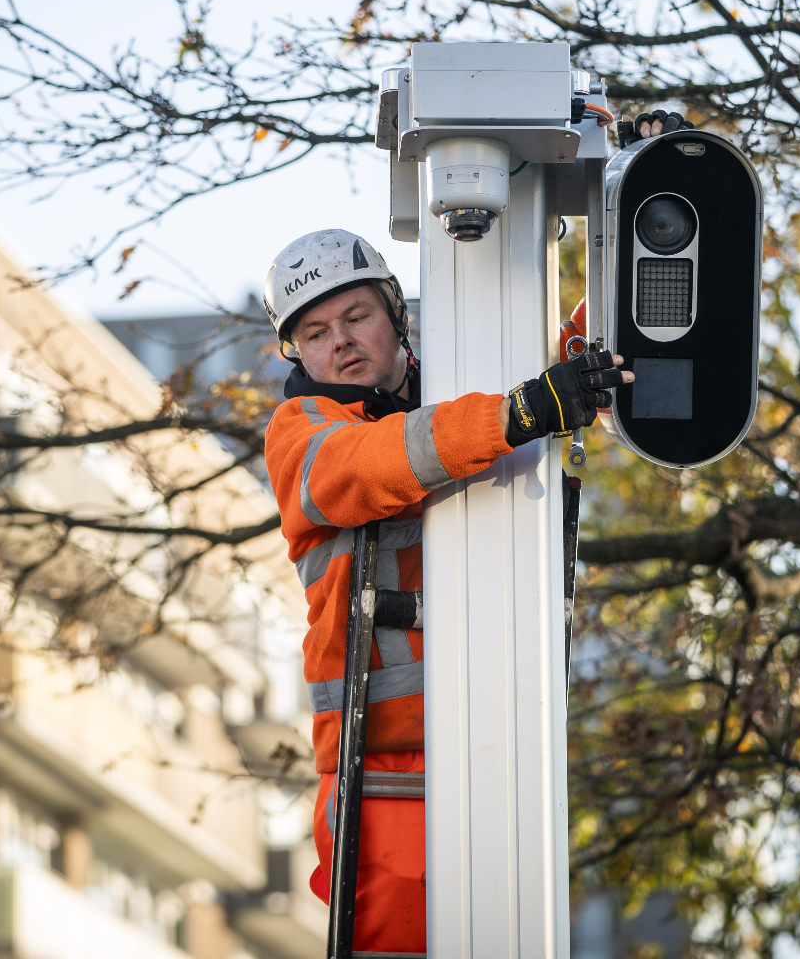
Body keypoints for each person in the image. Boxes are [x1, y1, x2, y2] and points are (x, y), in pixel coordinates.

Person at [261, 228, 627, 951]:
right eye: (314, 331)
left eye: (356, 315)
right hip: (384, 775)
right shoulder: (301, 430)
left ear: (397, 313)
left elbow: (592, 352)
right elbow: (371, 463)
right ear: (296, 352)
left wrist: (637, 204)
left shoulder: (472, 373)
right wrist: (519, 413)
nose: (340, 341)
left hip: (507, 744)